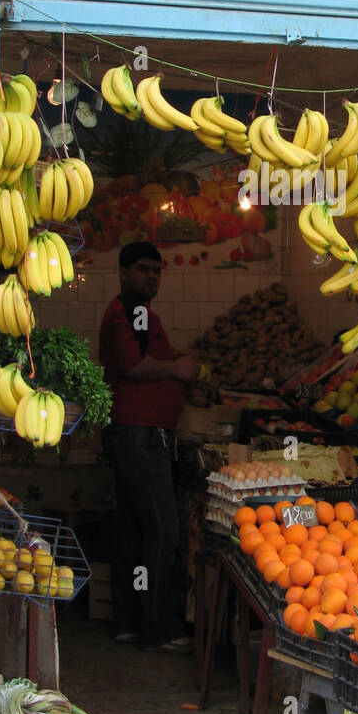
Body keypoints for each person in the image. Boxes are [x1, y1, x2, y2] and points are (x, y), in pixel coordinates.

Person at [99, 240, 199, 652]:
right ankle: (161, 628)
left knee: (134, 529)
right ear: (123, 272)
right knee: (162, 529)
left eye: (156, 270)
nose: (151, 276)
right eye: (142, 269)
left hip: (133, 435)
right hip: (140, 438)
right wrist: (178, 367)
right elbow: (133, 366)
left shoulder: (140, 313)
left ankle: (129, 622)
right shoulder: (130, 310)